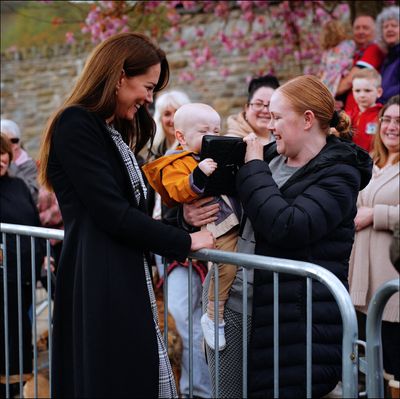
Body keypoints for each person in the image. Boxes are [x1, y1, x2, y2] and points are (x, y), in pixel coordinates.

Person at [37, 32, 214, 398]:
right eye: (147, 87)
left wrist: (184, 220)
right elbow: (112, 214)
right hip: (99, 279)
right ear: (120, 76)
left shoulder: (111, 131)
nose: (149, 98)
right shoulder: (76, 124)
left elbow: (134, 210)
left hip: (125, 273)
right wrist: (184, 241)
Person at [185, 75, 373, 397]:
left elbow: (289, 226)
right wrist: (188, 215)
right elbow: (212, 200)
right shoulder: (269, 157)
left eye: (277, 117)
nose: (269, 126)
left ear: (307, 119)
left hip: (293, 322)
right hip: (235, 306)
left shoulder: (341, 172)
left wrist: (254, 169)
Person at [143, 103, 241, 352]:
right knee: (226, 267)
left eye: (216, 132)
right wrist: (197, 174)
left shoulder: (217, 156)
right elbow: (176, 190)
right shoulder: (174, 162)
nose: (212, 137)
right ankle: (213, 315)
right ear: (181, 137)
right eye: (204, 132)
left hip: (229, 219)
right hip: (207, 231)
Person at [144, 91, 212, 398]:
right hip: (174, 249)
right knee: (183, 322)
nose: (169, 118)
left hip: (200, 249)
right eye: (165, 113)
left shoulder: (206, 157)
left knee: (199, 323)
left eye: (174, 111)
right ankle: (190, 387)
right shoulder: (161, 155)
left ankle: (199, 388)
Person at [348, 94, 400, 394]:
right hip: (363, 285)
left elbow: (368, 213)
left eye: (399, 121)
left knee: (394, 369)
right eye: (387, 120)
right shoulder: (371, 163)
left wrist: (375, 215)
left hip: (392, 284)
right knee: (370, 370)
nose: (391, 127)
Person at [0, 134, 45, 398]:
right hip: (3, 274)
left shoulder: (17, 185)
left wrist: (42, 254)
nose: (2, 159)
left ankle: (20, 382)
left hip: (25, 272)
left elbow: (33, 221)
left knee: (20, 328)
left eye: (4, 153)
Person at [335, 15, 384, 112]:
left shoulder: (374, 49)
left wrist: (324, 95)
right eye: (357, 28)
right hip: (351, 112)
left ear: (375, 31)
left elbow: (349, 82)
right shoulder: (355, 52)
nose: (361, 31)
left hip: (364, 111)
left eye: (365, 28)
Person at [226, 74, 280, 145]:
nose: (265, 110)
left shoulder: (284, 142)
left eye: (270, 105)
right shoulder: (230, 142)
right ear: (246, 108)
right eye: (258, 104)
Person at [0, 119, 38, 203]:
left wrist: (10, 164)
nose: (14, 146)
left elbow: (33, 195)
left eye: (14, 140)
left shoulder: (29, 165)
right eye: (6, 143)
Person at [347, 68, 383, 151]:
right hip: (350, 160)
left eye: (367, 90)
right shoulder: (348, 115)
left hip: (373, 160)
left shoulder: (383, 115)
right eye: (357, 91)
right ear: (352, 91)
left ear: (379, 92)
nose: (362, 95)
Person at [318, 19, 355, 97]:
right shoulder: (349, 44)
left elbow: (321, 70)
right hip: (341, 79)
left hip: (330, 81)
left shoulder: (327, 52)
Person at [376, 6, 400, 104]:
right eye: (385, 26)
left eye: (394, 25)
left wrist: (379, 96)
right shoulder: (388, 57)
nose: (389, 29)